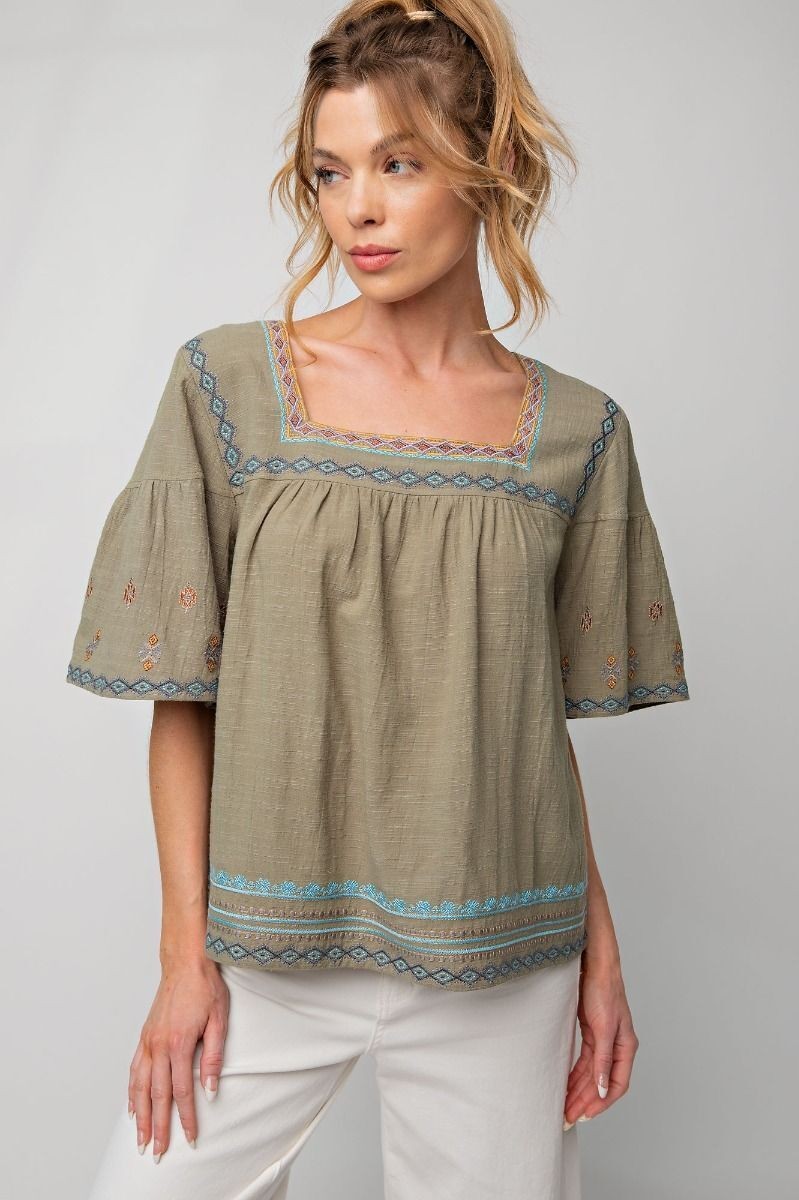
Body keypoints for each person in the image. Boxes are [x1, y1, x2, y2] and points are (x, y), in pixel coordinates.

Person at [65, 2, 691, 1197]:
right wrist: (183, 958)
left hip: (505, 956)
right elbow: (181, 695)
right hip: (260, 955)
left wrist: (599, 954)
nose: (357, 208)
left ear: (489, 165)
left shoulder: (577, 432)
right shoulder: (228, 386)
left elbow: (526, 726)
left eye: (398, 164)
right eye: (329, 171)